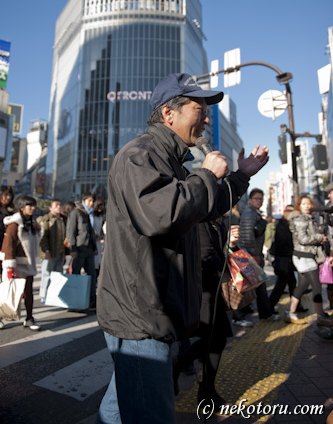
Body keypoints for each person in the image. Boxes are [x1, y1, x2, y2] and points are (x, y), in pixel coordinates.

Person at [96, 72, 269, 424]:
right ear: (168, 113)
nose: (206, 117)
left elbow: (211, 202)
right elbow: (162, 214)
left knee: (119, 408)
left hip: (153, 308)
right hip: (141, 312)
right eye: (198, 108)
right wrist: (206, 175)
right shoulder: (138, 156)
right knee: (151, 414)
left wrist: (241, 174)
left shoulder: (174, 162)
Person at [172, 220, 239, 405]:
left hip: (213, 284)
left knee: (216, 338)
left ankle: (181, 367)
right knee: (214, 338)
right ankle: (206, 391)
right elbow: (206, 255)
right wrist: (225, 272)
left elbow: (219, 251)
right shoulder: (199, 221)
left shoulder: (215, 221)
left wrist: (231, 243)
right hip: (203, 287)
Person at [284, 195, 332, 326]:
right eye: (303, 204)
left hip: (304, 256)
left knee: (302, 286)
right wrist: (319, 237)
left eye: (309, 204)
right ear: (299, 206)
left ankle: (290, 313)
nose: (307, 206)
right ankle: (321, 316)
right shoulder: (300, 220)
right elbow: (303, 239)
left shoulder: (309, 219)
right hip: (304, 256)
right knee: (317, 287)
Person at [1, 195, 41, 331]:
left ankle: (29, 318)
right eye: (30, 206)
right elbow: (9, 245)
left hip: (28, 264)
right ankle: (2, 316)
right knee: (11, 292)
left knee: (28, 293)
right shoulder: (15, 224)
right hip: (17, 264)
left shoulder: (31, 223)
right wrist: (9, 267)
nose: (33, 208)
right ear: (22, 207)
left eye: (34, 205)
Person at [238, 188, 279, 321]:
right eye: (256, 198)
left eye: (261, 198)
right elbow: (248, 235)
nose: (259, 201)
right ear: (250, 200)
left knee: (253, 285)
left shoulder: (253, 212)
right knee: (256, 285)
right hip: (250, 254)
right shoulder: (250, 213)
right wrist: (255, 254)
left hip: (250, 253)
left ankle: (249, 311)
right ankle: (261, 313)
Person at [66, 192, 97, 308]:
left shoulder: (88, 214)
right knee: (76, 274)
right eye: (89, 201)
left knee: (92, 275)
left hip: (88, 249)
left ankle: (92, 300)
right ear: (83, 201)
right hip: (79, 248)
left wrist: (94, 247)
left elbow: (90, 231)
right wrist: (72, 248)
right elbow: (71, 231)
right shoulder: (76, 213)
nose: (91, 203)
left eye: (93, 201)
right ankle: (74, 299)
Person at [269, 206, 298, 312]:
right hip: (283, 259)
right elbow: (281, 244)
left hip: (287, 259)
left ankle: (297, 306)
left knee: (292, 283)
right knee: (281, 285)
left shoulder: (289, 224)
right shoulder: (282, 225)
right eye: (289, 211)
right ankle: (270, 306)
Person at [37, 199, 67, 301]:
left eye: (60, 205)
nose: (59, 207)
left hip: (60, 251)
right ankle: (43, 295)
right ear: (50, 208)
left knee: (58, 275)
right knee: (46, 274)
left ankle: (54, 295)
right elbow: (43, 238)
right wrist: (46, 251)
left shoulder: (63, 219)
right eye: (56, 205)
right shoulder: (46, 219)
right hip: (49, 252)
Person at [0, 186, 14, 283]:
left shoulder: (11, 212)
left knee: (5, 274)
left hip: (7, 246)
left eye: (9, 195)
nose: (7, 198)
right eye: (5, 195)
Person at [93, 196, 106, 280]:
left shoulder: (102, 216)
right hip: (93, 241)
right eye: (100, 205)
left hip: (98, 241)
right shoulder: (92, 216)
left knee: (99, 262)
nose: (101, 207)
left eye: (103, 205)